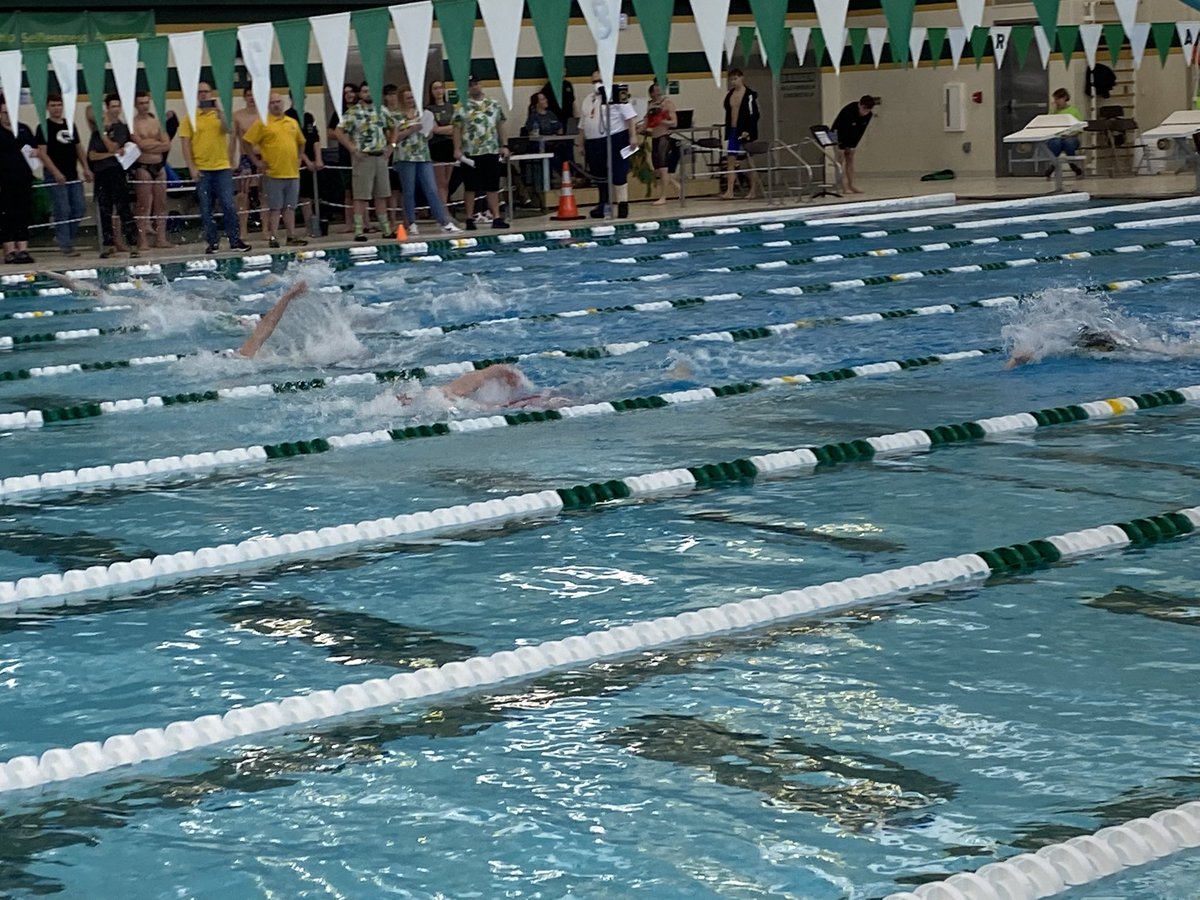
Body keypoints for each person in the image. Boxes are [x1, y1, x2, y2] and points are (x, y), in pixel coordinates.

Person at [179, 82, 251, 254]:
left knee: (228, 204)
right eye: (200, 92)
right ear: (196, 95)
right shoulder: (190, 117)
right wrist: (192, 167)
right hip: (202, 168)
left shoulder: (220, 115)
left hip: (222, 167)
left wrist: (219, 112)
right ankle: (212, 242)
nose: (204, 95)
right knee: (206, 208)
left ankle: (234, 240)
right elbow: (185, 144)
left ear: (211, 93)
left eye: (206, 91)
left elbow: (228, 130)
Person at [243, 92, 316, 249]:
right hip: (273, 173)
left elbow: (301, 141)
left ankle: (291, 236)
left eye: (278, 102)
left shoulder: (292, 122)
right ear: (268, 105)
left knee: (290, 207)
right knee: (275, 208)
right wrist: (257, 161)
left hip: (292, 172)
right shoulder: (262, 123)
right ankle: (273, 236)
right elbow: (247, 142)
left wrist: (299, 158)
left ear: (282, 103)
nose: (276, 105)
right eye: (272, 102)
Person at [392, 85, 462, 236]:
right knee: (409, 191)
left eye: (413, 97)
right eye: (408, 98)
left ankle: (443, 221)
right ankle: (410, 222)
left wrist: (427, 132)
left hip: (423, 156)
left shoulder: (424, 113)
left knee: (432, 189)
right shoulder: (396, 116)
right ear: (402, 100)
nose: (411, 101)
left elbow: (430, 133)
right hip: (405, 157)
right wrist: (410, 130)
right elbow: (393, 139)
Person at [336, 81, 398, 242]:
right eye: (364, 91)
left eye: (371, 91)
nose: (368, 94)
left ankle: (385, 229)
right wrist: (352, 149)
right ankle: (359, 230)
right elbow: (338, 131)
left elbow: (394, 127)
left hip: (381, 157)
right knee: (361, 195)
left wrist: (391, 145)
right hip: (363, 157)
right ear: (360, 94)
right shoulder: (353, 112)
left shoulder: (382, 110)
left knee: (382, 194)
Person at [576, 70, 638, 218]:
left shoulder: (616, 95)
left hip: (615, 138)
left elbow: (630, 117)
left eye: (599, 80)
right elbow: (583, 123)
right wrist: (580, 143)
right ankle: (603, 203)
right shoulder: (588, 99)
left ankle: (622, 203)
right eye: (594, 82)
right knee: (598, 174)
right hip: (594, 142)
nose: (597, 84)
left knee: (618, 172)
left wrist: (633, 136)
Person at [36, 93, 91, 258]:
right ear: (47, 107)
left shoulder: (70, 125)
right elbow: (42, 154)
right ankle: (66, 245)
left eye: (59, 105)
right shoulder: (43, 128)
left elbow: (78, 149)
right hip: (55, 175)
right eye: (53, 105)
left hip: (72, 174)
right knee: (63, 209)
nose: (57, 109)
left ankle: (62, 237)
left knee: (79, 208)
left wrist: (86, 168)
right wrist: (55, 172)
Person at [453, 74, 510, 230]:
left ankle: (496, 217)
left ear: (481, 84)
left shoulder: (493, 104)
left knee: (492, 185)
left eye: (476, 83)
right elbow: (456, 129)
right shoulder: (461, 106)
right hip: (470, 152)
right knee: (470, 187)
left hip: (490, 150)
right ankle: (470, 218)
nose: (474, 87)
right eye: (471, 85)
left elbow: (500, 125)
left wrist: (504, 145)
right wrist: (457, 149)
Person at [86, 94, 139, 259]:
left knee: (123, 209)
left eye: (118, 106)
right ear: (107, 109)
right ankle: (108, 245)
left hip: (117, 173)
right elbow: (92, 156)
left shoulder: (121, 128)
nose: (116, 110)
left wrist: (107, 145)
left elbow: (115, 146)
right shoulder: (97, 131)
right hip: (102, 173)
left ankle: (132, 243)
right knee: (104, 210)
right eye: (113, 107)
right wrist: (110, 153)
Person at [0, 97, 40, 265]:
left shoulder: (24, 129)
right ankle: (9, 250)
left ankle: (23, 249)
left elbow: (35, 149)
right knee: (7, 215)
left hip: (23, 179)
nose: (8, 116)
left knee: (23, 213)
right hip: (3, 181)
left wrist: (35, 154)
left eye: (11, 113)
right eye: (4, 113)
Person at [130, 91, 171, 250]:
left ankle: (161, 238)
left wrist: (149, 145)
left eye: (146, 102)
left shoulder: (157, 122)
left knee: (161, 204)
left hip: (159, 167)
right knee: (143, 205)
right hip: (143, 167)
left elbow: (167, 145)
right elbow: (140, 145)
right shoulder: (133, 123)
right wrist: (156, 144)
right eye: (141, 103)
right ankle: (143, 241)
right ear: (135, 105)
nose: (144, 106)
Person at [721, 68, 762, 200]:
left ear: (742, 78)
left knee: (750, 161)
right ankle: (730, 190)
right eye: (731, 79)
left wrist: (748, 131)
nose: (733, 82)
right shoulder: (730, 95)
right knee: (730, 161)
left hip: (745, 131)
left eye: (735, 79)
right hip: (733, 130)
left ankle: (753, 190)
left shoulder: (749, 95)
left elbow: (754, 115)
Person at [232, 87, 263, 238]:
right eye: (249, 95)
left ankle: (266, 229)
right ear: (244, 97)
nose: (251, 98)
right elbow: (232, 140)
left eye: (254, 95)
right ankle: (243, 229)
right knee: (243, 194)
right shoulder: (238, 116)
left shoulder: (264, 115)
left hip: (264, 156)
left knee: (265, 194)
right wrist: (230, 160)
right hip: (245, 158)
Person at [327, 83, 358, 230]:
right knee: (348, 190)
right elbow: (330, 132)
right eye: (346, 93)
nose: (349, 95)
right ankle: (349, 223)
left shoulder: (362, 110)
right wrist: (345, 136)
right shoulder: (339, 112)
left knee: (363, 192)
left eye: (351, 92)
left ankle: (365, 222)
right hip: (346, 155)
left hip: (362, 154)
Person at [831, 95, 877, 194]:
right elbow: (842, 129)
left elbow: (860, 132)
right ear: (860, 105)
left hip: (851, 136)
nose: (865, 112)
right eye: (864, 109)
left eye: (868, 110)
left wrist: (853, 146)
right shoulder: (849, 111)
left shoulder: (868, 115)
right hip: (837, 134)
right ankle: (844, 186)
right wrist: (842, 146)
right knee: (841, 159)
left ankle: (852, 184)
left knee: (850, 158)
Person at [643, 82, 678, 205]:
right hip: (655, 137)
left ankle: (663, 197)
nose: (657, 92)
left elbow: (674, 123)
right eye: (655, 90)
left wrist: (662, 121)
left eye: (659, 89)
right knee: (657, 170)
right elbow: (646, 122)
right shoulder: (650, 105)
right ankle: (675, 184)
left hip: (664, 137)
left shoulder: (668, 103)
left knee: (663, 168)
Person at [426, 80, 457, 212]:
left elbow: (458, 127)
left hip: (450, 145)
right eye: (435, 88)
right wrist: (450, 128)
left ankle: (444, 208)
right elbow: (434, 129)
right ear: (431, 92)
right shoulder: (429, 109)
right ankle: (442, 211)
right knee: (440, 182)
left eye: (440, 88)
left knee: (447, 181)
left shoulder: (451, 107)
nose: (438, 91)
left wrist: (447, 129)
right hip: (437, 146)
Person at [1045, 88, 1084, 179]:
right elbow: (1048, 123)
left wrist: (1070, 133)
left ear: (1065, 98)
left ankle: (1071, 164)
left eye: (1058, 99)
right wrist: (1052, 112)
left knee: (1068, 143)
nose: (1056, 102)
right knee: (1056, 143)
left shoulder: (1073, 111)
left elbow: (1079, 128)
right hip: (1056, 136)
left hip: (1071, 136)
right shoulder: (1054, 112)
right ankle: (1054, 164)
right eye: (1055, 99)